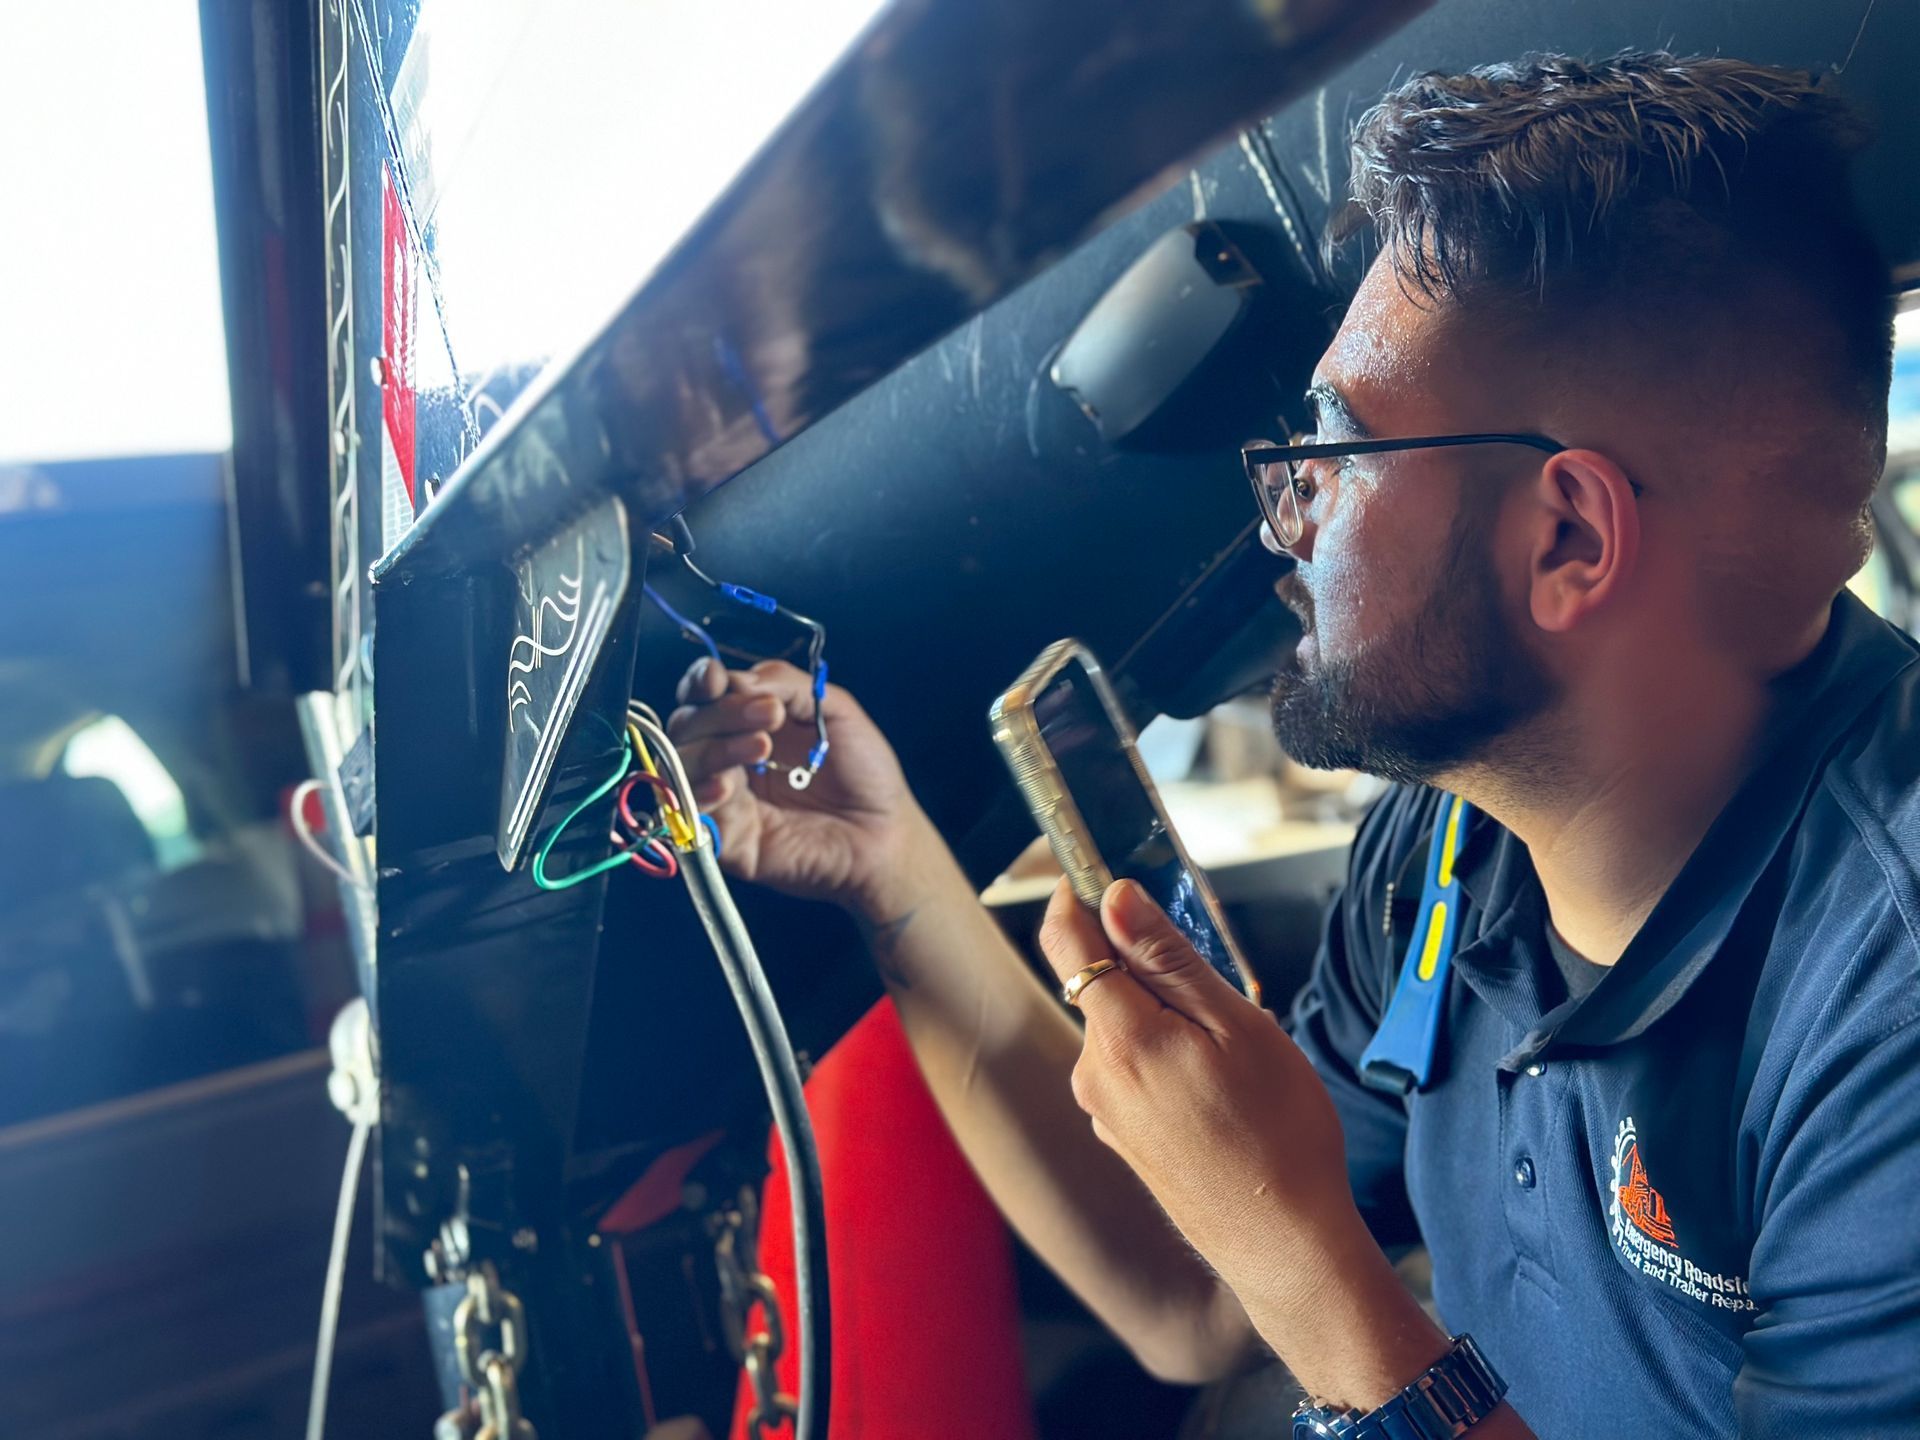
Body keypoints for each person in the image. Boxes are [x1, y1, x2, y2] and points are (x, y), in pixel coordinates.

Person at [668, 53, 1919, 1437]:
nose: (1285, 515)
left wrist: (1301, 1257)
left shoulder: (1884, 1002)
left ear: (1565, 535)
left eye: (1336, 443)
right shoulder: (1450, 846)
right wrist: (895, 875)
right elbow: (1189, 1290)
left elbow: (1272, 1269)